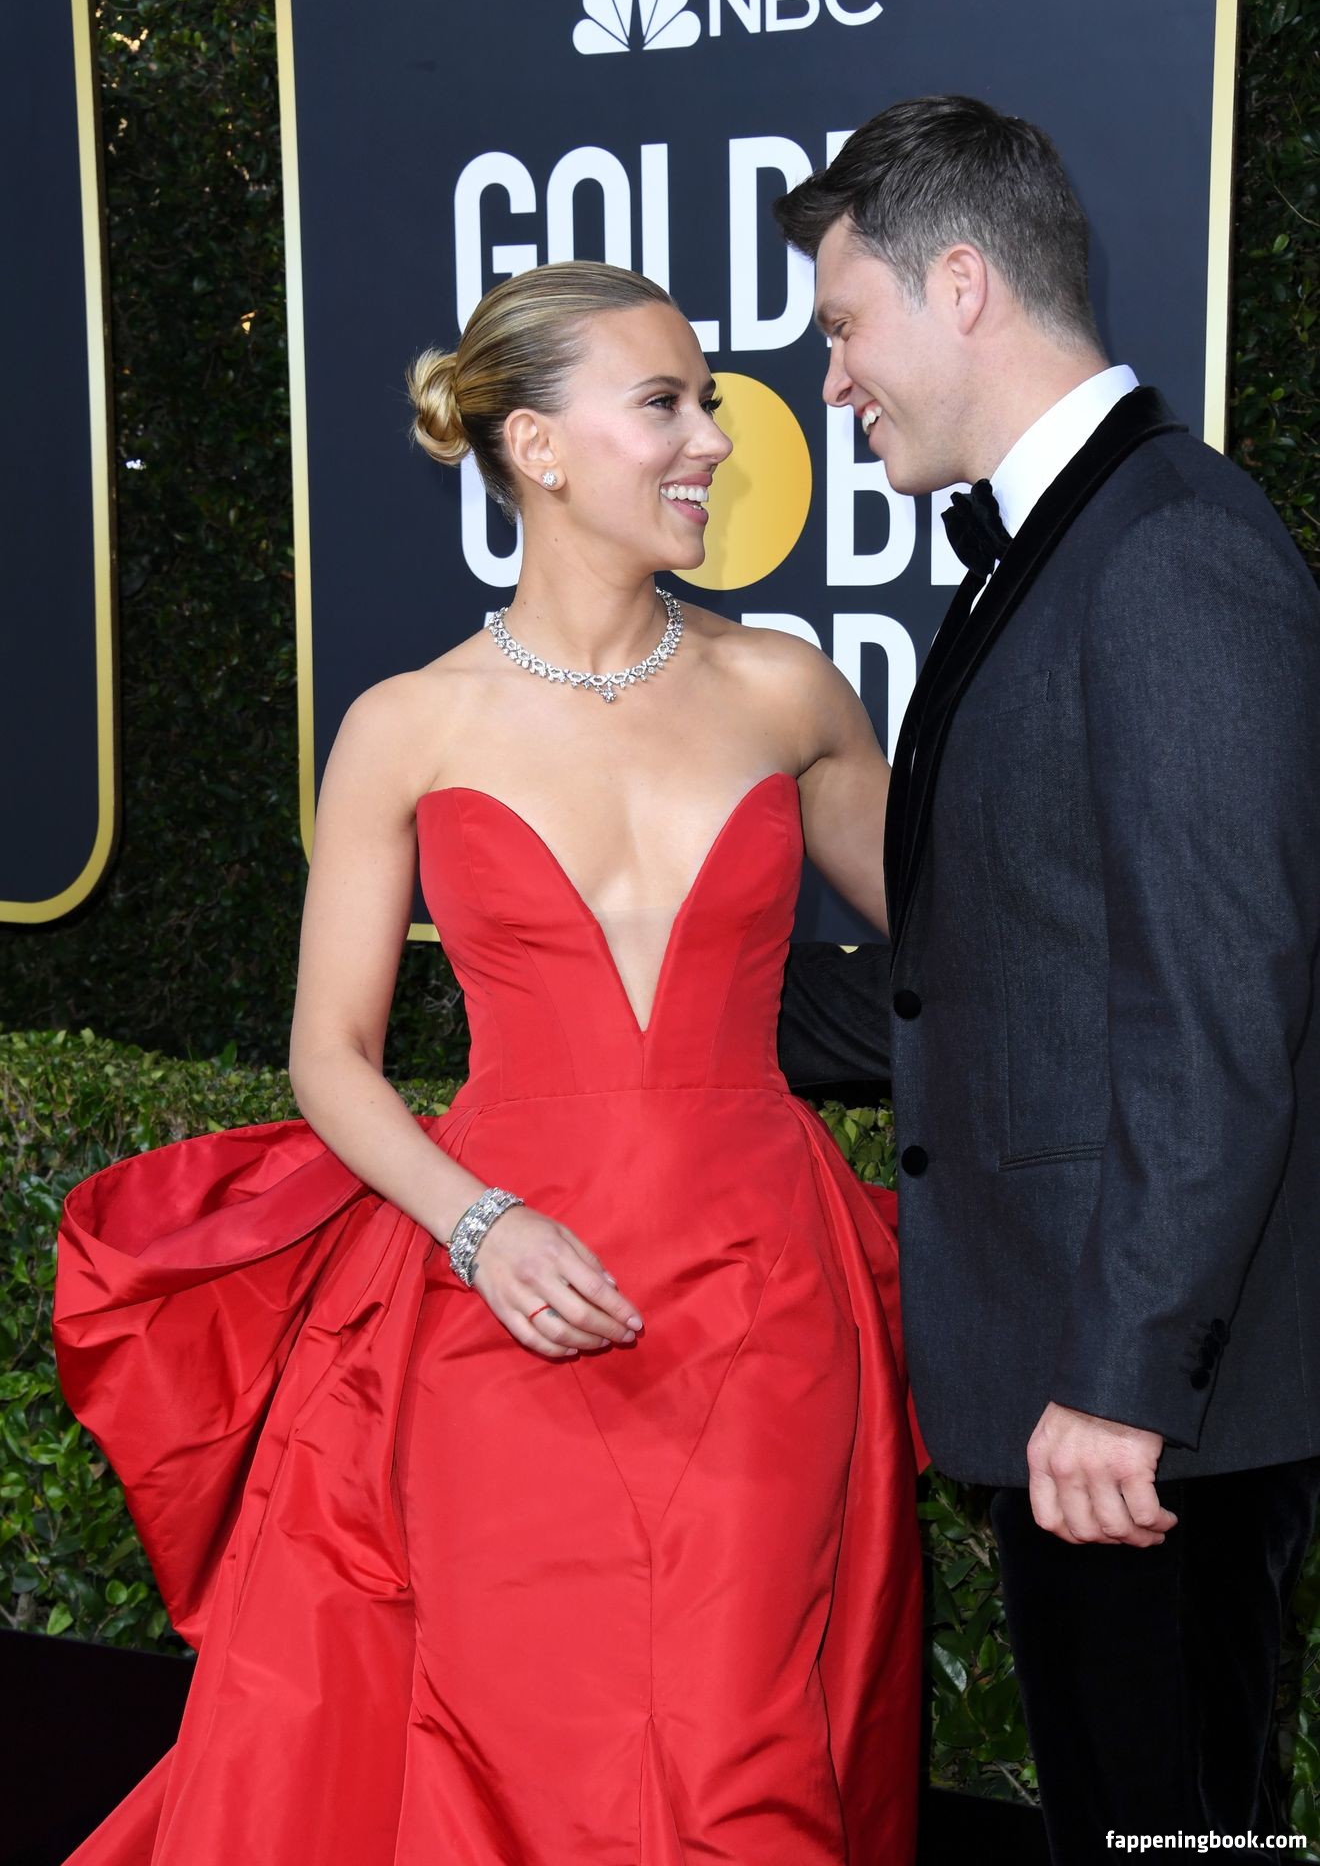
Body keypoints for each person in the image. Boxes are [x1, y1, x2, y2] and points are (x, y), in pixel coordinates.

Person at [52, 259, 924, 1865]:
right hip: (504, 1298)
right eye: (664, 403)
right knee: (515, 1760)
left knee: (745, 1763)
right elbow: (331, 1057)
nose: (714, 438)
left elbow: (973, 951)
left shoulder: (788, 691)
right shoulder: (409, 725)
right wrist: (480, 1225)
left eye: (707, 402)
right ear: (536, 446)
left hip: (762, 1302)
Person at [773, 95, 1320, 1861]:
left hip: (1144, 1416)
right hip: (1092, 1391)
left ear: (962, 284)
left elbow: (1220, 1007)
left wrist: (1125, 1376)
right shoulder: (1066, 542)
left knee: (1174, 1833)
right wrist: (673, 1016)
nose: (831, 382)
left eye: (845, 326)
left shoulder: (1167, 551)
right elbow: (1000, 976)